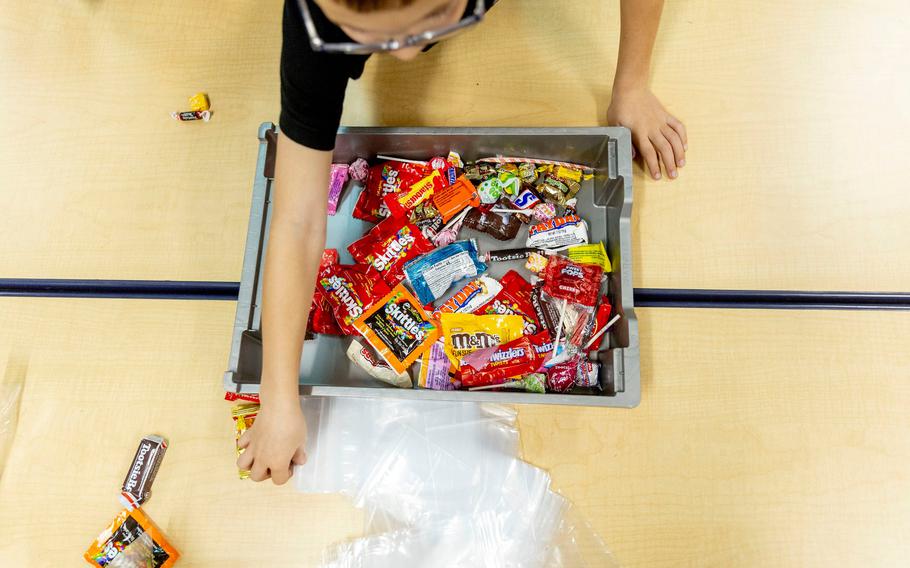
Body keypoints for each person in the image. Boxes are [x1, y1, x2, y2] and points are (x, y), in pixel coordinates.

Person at [237, 0, 687, 484]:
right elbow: (296, 220)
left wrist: (633, 84)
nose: (407, 56)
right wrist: (279, 398)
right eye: (365, 36)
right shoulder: (315, 26)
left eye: (431, 21)